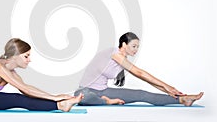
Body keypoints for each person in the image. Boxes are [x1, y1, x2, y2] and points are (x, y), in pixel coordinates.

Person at [74, 32, 203, 106]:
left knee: (142, 94)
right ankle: (107, 102)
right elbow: (139, 73)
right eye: (134, 46)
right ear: (124, 44)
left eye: (137, 47)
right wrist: (168, 86)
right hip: (85, 91)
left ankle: (183, 100)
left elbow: (145, 78)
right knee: (83, 97)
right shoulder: (114, 53)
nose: (136, 50)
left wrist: (167, 90)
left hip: (103, 91)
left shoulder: (122, 60)